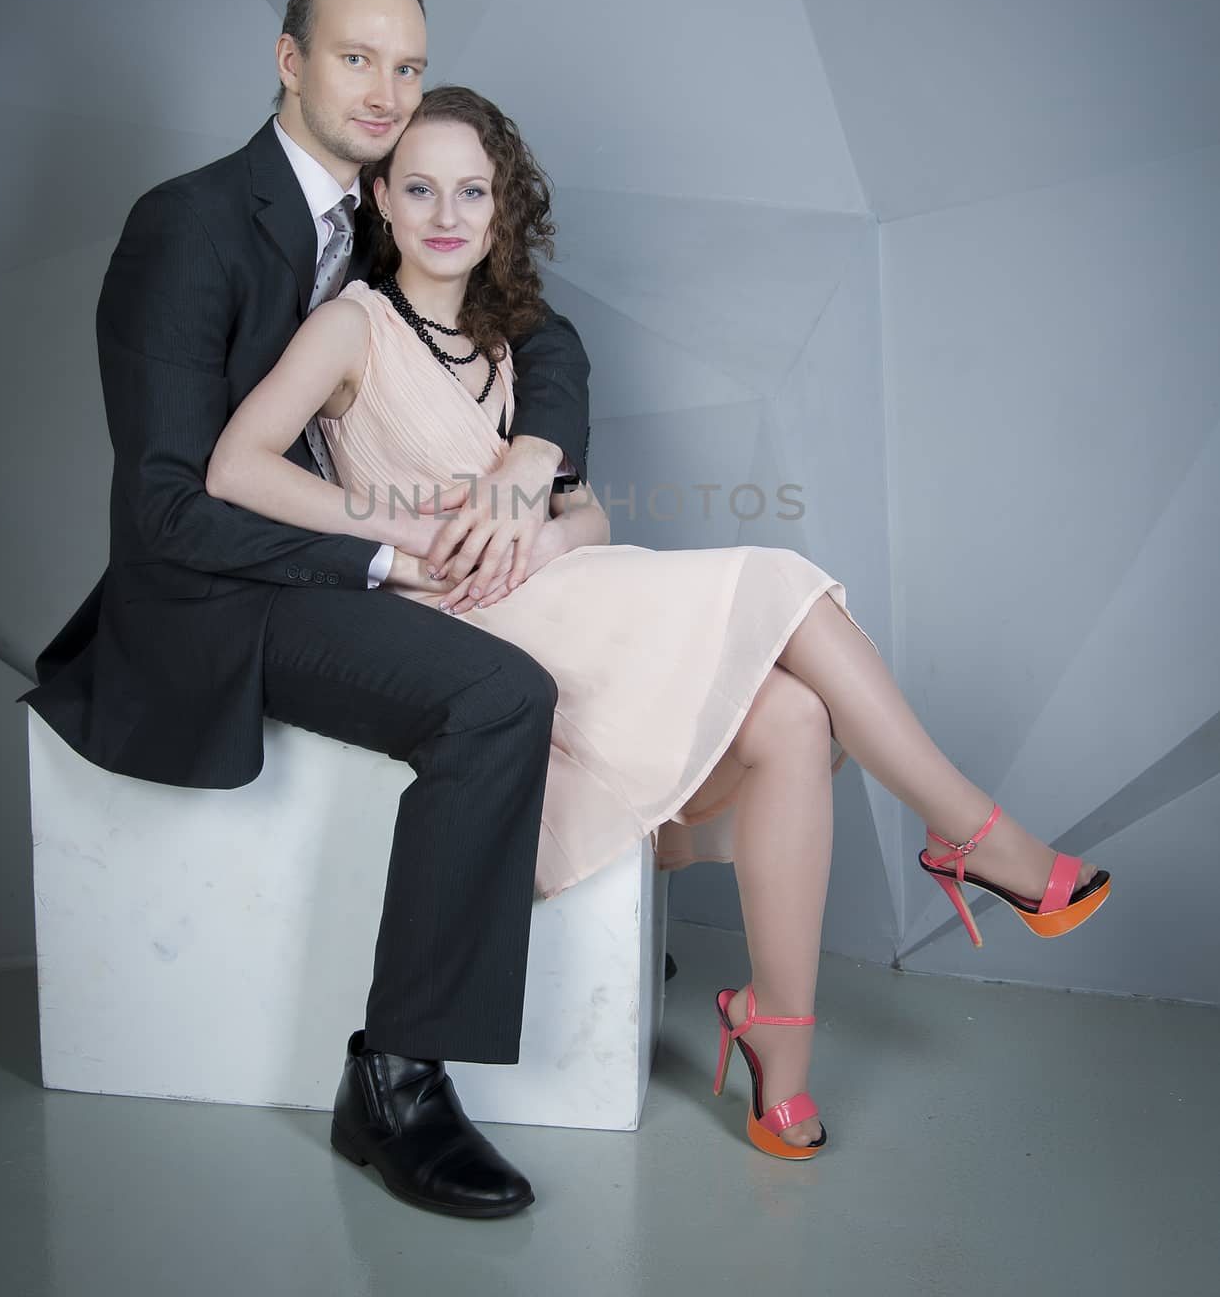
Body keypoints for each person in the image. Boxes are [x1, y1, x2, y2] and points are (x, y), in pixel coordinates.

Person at [208, 83, 1113, 1175]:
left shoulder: (508, 345)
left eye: (472, 190)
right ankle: (973, 838)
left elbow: (581, 513)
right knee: (783, 576)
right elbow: (235, 466)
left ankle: (780, 1055)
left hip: (563, 587)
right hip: (462, 620)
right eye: (419, 188)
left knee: (789, 711)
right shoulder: (348, 325)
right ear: (382, 205)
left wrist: (543, 535)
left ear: (500, 210)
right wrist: (393, 520)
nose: (446, 213)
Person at [17, 0, 640, 1221]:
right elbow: (166, 507)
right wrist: (384, 552)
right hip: (217, 594)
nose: (385, 88)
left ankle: (599, 935)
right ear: (289, 59)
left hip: (344, 567)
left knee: (572, 631)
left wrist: (532, 455)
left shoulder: (379, 208)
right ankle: (399, 1077)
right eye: (356, 57)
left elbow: (538, 328)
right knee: (494, 696)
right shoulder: (186, 223)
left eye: (406, 64)